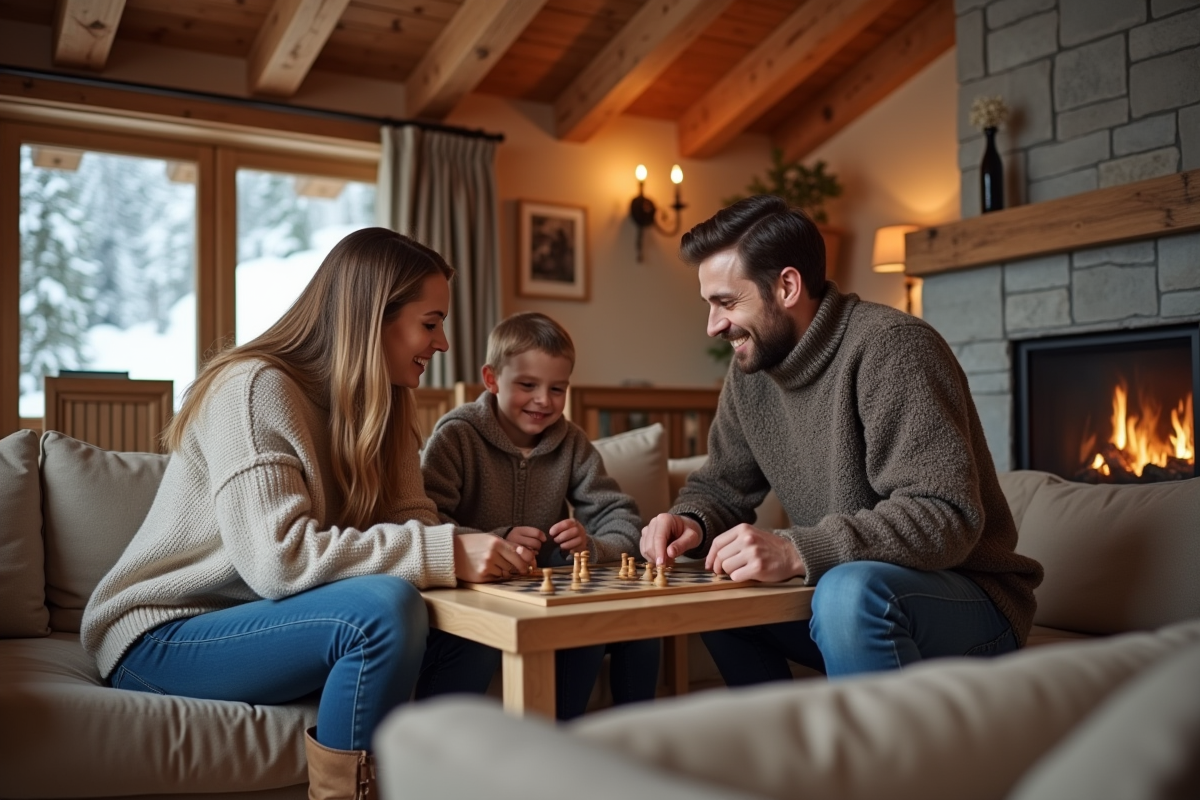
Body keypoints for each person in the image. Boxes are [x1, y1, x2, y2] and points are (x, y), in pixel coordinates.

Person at [80, 228, 533, 799]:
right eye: (431, 322)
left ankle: (435, 785)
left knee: (472, 618)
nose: (442, 343)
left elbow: (414, 522)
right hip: (163, 635)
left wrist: (489, 549)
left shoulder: (386, 403)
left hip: (276, 621)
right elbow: (279, 561)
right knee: (381, 610)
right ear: (372, 317)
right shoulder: (251, 388)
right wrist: (444, 553)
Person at [640, 195, 1044, 684]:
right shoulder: (752, 372)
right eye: (710, 304)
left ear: (787, 286)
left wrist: (794, 550)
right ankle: (786, 753)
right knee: (713, 591)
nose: (714, 325)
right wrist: (690, 521)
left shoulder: (893, 347)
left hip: (970, 598)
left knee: (849, 591)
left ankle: (862, 760)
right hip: (847, 596)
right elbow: (721, 487)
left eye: (726, 302)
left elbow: (945, 516)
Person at [421, 311, 661, 719]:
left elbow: (621, 517)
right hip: (476, 600)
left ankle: (632, 744)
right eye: (528, 385)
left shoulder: (571, 443)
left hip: (549, 597)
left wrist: (591, 545)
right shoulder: (456, 436)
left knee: (634, 626)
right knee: (573, 627)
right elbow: (424, 523)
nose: (543, 401)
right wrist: (497, 539)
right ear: (492, 379)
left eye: (558, 388)